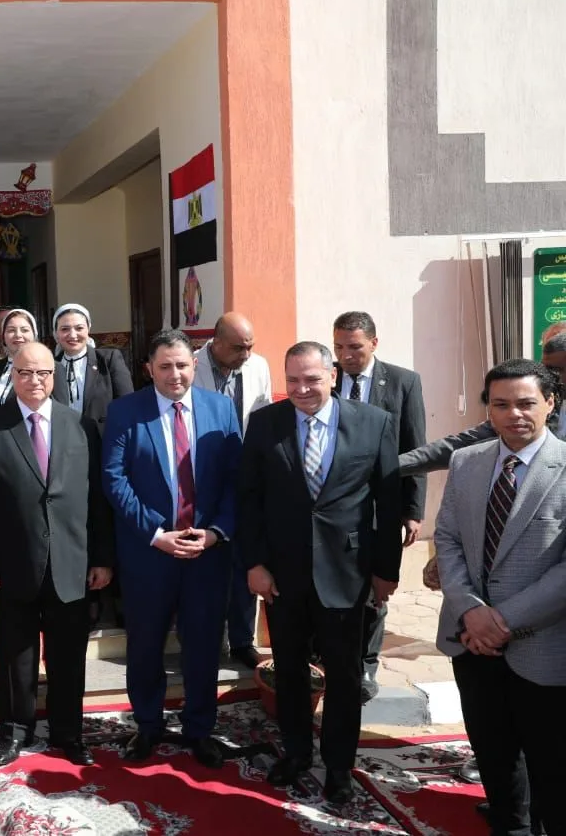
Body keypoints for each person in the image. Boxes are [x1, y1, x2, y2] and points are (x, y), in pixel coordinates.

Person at [236, 342, 401, 804]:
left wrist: (386, 571)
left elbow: (387, 502)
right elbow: (248, 499)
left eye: (311, 379)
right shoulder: (265, 423)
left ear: (332, 375)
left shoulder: (373, 423)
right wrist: (254, 563)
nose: (302, 389)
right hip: (282, 574)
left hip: (347, 573)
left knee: (345, 676)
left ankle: (339, 766)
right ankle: (295, 753)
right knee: (289, 670)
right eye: (292, 380)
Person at [432, 358, 566, 836]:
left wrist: (502, 619)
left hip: (543, 646)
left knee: (552, 765)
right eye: (501, 404)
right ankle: (510, 824)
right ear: (488, 408)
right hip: (470, 640)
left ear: (550, 403)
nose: (515, 414)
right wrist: (470, 610)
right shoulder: (467, 462)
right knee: (492, 749)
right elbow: (447, 537)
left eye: (527, 403)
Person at [0, 343, 114, 768]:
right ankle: (14, 730)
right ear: (12, 375)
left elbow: (97, 499)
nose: (35, 381)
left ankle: (68, 732)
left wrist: (102, 557)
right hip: (12, 563)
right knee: (16, 654)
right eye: (26, 372)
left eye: (43, 373)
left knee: (68, 655)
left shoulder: (80, 425)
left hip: (72, 562)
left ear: (55, 376)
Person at [102, 330, 241, 769]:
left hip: (206, 553)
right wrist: (156, 533)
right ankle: (148, 725)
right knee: (145, 645)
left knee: (203, 645)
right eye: (164, 366)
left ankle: (200, 728)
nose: (174, 374)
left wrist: (216, 532)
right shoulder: (125, 411)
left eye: (182, 365)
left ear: (194, 365)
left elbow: (236, 479)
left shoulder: (221, 408)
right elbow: (114, 480)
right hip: (150, 554)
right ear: (149, 369)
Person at [332, 311, 427, 703]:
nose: (346, 355)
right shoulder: (326, 378)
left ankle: (367, 664)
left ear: (374, 343)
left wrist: (413, 510)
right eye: (339, 347)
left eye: (354, 347)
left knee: (376, 589)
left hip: (380, 505)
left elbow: (416, 446)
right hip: (334, 508)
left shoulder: (403, 382)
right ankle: (330, 659)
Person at [191, 312, 273, 669]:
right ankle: (204, 638)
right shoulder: (191, 364)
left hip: (247, 477)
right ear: (217, 342)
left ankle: (241, 640)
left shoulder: (258, 366)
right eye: (239, 347)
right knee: (204, 563)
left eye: (250, 346)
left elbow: (264, 416)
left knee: (245, 559)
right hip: (200, 478)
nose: (246, 354)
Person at [400, 326, 566, 475]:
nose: (552, 376)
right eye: (548, 369)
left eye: (557, 369)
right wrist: (393, 466)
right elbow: (457, 445)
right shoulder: (542, 409)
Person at [52, 303, 134, 436]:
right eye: (65, 329)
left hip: (103, 438)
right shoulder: (50, 365)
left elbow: (127, 403)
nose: (72, 335)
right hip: (64, 439)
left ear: (88, 328)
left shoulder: (108, 359)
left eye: (79, 328)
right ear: (56, 333)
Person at [0, 309, 68, 412]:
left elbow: (61, 410)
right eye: (11, 330)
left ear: (34, 334)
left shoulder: (52, 367)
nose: (18, 335)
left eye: (24, 330)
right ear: (3, 336)